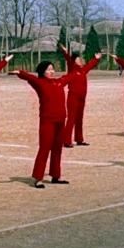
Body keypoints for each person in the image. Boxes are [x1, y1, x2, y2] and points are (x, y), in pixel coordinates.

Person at [17, 59, 78, 187]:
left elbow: (71, 76)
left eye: (52, 69)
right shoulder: (40, 83)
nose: (51, 71)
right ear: (42, 72)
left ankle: (56, 175)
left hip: (61, 120)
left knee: (57, 149)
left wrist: (78, 68)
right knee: (44, 148)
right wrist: (20, 72)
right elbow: (30, 78)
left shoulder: (59, 82)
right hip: (47, 120)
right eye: (48, 70)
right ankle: (38, 178)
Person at [58, 44, 101, 147]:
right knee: (71, 119)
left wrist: (96, 58)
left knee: (79, 119)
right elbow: (69, 60)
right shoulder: (72, 69)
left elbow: (90, 65)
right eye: (78, 59)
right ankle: (66, 141)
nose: (80, 61)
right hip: (73, 97)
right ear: (74, 62)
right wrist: (65, 52)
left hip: (82, 98)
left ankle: (79, 139)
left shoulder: (83, 70)